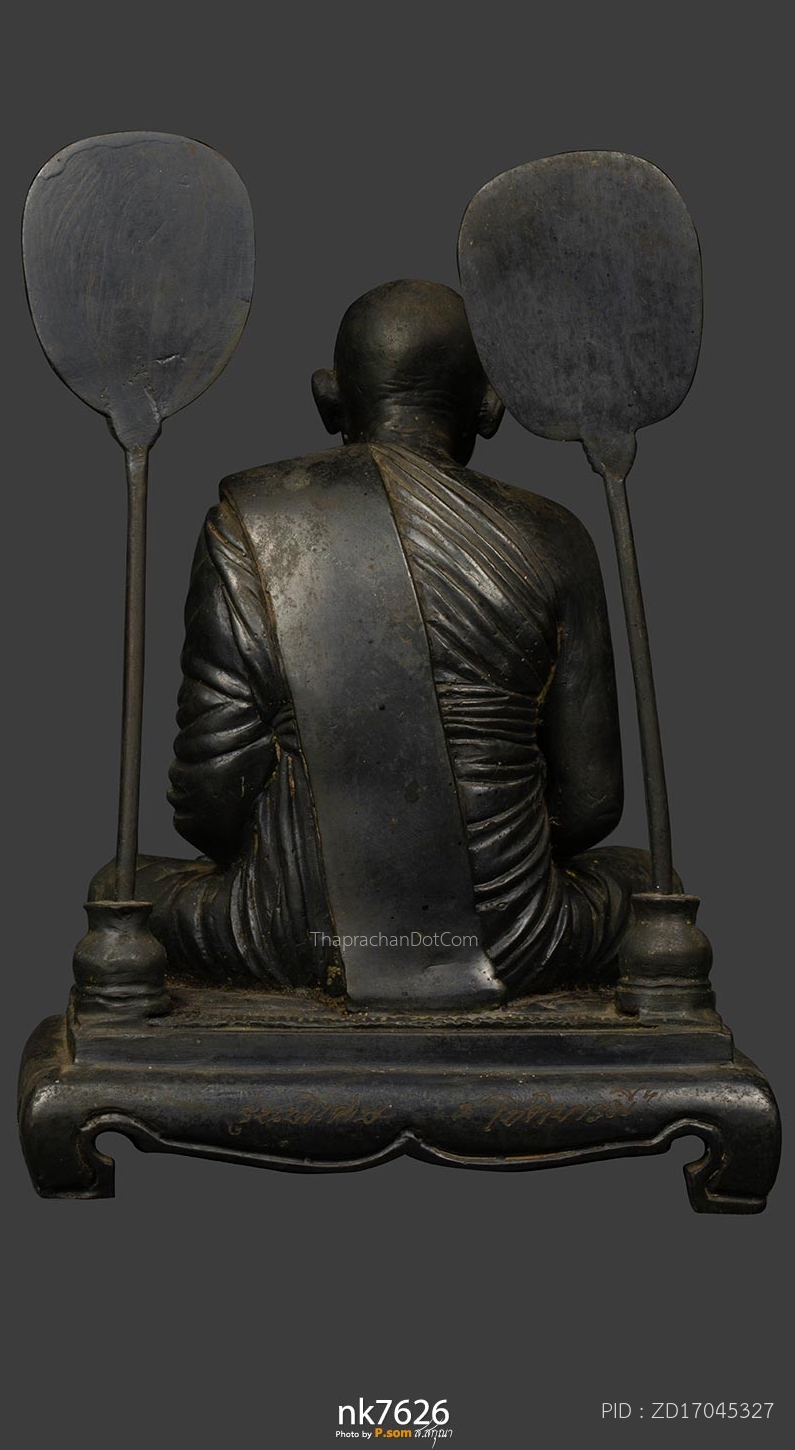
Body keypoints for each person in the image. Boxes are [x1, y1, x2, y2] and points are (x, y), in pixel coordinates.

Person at [91, 280, 659, 1005]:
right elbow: (591, 804)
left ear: (328, 398)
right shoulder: (558, 536)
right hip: (513, 936)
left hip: (296, 931)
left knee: (118, 888)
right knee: (650, 882)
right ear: (491, 407)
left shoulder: (252, 524)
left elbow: (210, 796)